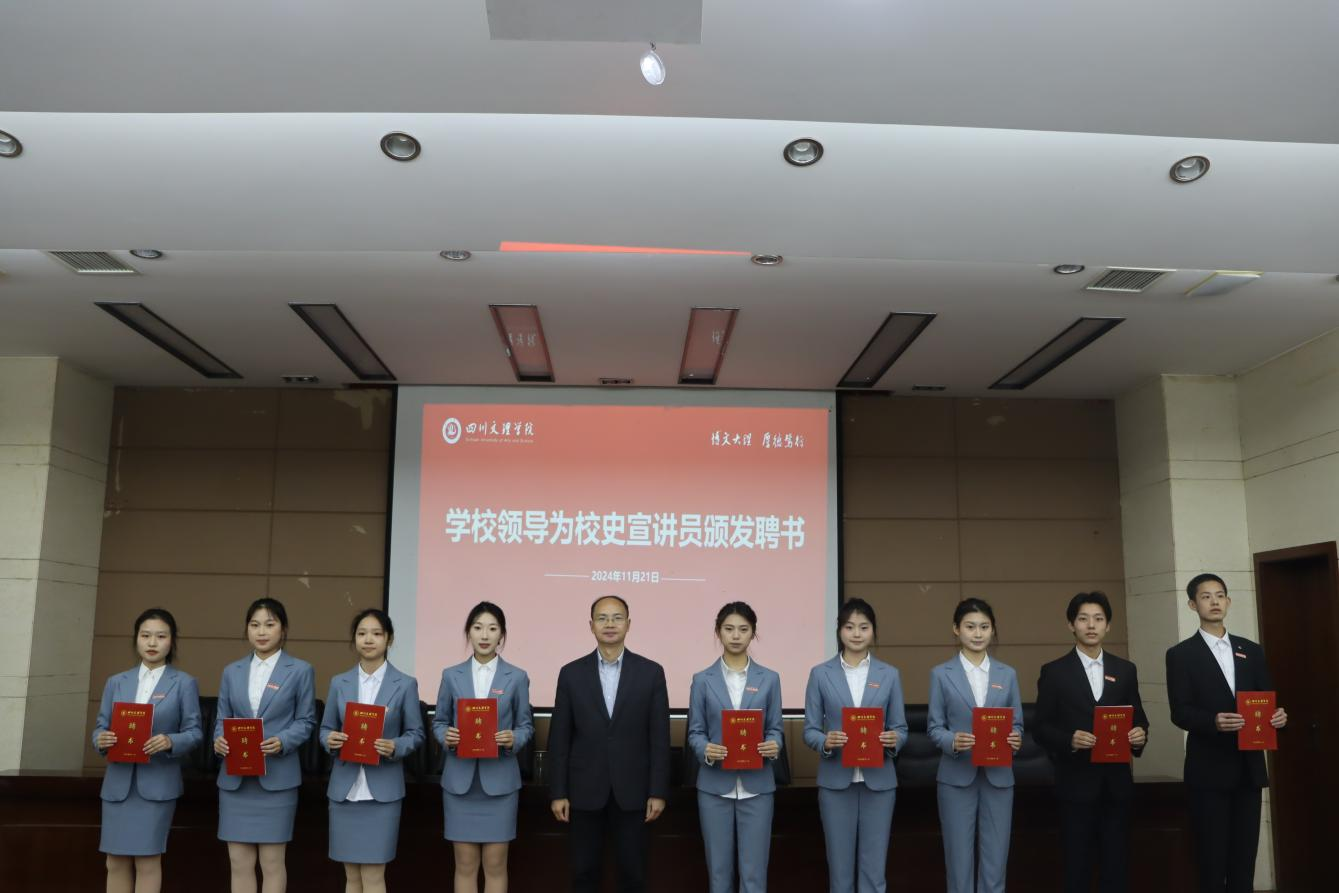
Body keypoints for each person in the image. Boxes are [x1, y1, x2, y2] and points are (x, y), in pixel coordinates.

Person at [1166, 573, 1288, 893]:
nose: (1215, 602)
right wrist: (1214, 721)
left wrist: (1278, 716)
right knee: (1211, 861)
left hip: (1249, 769)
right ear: (1192, 605)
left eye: (1220, 595)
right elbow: (1180, 711)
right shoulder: (1181, 654)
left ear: (1229, 601)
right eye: (1206, 596)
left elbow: (1266, 699)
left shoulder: (1252, 650)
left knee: (1243, 862)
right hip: (1208, 770)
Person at [548, 595, 671, 893]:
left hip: (634, 791)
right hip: (583, 790)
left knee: (633, 874)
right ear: (591, 625)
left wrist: (657, 791)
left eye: (617, 617)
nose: (610, 624)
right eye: (602, 618)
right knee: (584, 873)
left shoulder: (651, 672)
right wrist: (558, 792)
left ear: (628, 624)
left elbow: (659, 738)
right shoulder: (571, 673)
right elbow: (560, 738)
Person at [1034, 592, 1149, 893]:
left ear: (1108, 625)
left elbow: (1139, 718)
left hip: (1116, 784)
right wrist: (1069, 740)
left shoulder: (1125, 670)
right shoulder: (1054, 671)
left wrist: (1139, 736)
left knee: (1116, 863)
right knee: (1077, 864)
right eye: (1083, 619)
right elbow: (1040, 727)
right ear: (1071, 625)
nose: (1091, 625)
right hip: (1075, 783)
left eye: (1098, 619)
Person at [92, 607, 203, 893]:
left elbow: (194, 732)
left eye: (161, 636)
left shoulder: (184, 683)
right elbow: (100, 727)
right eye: (145, 635)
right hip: (118, 785)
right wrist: (100, 739)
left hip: (157, 785)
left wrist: (170, 741)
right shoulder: (116, 681)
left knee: (148, 861)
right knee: (114, 861)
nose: (152, 643)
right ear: (136, 639)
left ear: (172, 641)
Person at [802, 597, 908, 893]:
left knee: (875, 868)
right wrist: (826, 741)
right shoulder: (820, 674)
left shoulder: (889, 674)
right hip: (836, 781)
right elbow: (810, 730)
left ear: (873, 631)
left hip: (879, 782)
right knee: (840, 868)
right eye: (849, 627)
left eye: (864, 627)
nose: (857, 634)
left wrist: (894, 739)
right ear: (839, 631)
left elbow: (901, 728)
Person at [212, 597, 316, 893]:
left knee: (272, 862)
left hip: (277, 779)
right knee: (238, 861)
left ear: (283, 629)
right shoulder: (231, 671)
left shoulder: (300, 670)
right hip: (236, 779)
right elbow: (222, 719)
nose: (261, 632)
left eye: (269, 625)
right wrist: (219, 740)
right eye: (254, 625)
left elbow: (306, 721)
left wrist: (283, 740)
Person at [320, 608, 425, 893]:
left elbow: (416, 734)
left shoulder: (405, 684)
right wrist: (330, 739)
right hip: (344, 791)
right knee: (351, 876)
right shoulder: (339, 682)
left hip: (383, 792)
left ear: (389, 639)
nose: (368, 640)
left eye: (376, 633)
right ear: (354, 639)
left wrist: (395, 746)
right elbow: (325, 728)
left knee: (374, 874)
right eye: (362, 633)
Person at [433, 601, 534, 893]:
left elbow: (526, 726)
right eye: (478, 628)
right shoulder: (451, 675)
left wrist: (514, 738)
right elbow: (439, 722)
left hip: (500, 783)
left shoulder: (517, 676)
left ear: (502, 634)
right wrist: (446, 736)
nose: (485, 635)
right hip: (460, 783)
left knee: (495, 864)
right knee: (464, 865)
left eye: (492, 628)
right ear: (469, 632)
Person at [687, 601, 784, 893]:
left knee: (754, 874)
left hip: (758, 786)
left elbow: (775, 728)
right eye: (729, 629)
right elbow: (695, 732)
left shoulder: (770, 679)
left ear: (753, 633)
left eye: (743, 629)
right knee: (718, 873)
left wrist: (774, 744)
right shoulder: (702, 680)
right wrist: (705, 749)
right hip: (714, 786)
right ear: (718, 632)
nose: (736, 635)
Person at [927, 598, 1023, 893]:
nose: (978, 634)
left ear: (993, 630)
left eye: (984, 627)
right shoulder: (941, 674)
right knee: (958, 859)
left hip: (998, 777)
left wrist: (1015, 738)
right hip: (956, 777)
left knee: (996, 859)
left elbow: (1017, 724)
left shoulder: (1007, 674)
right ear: (956, 629)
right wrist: (953, 741)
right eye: (970, 627)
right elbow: (934, 727)